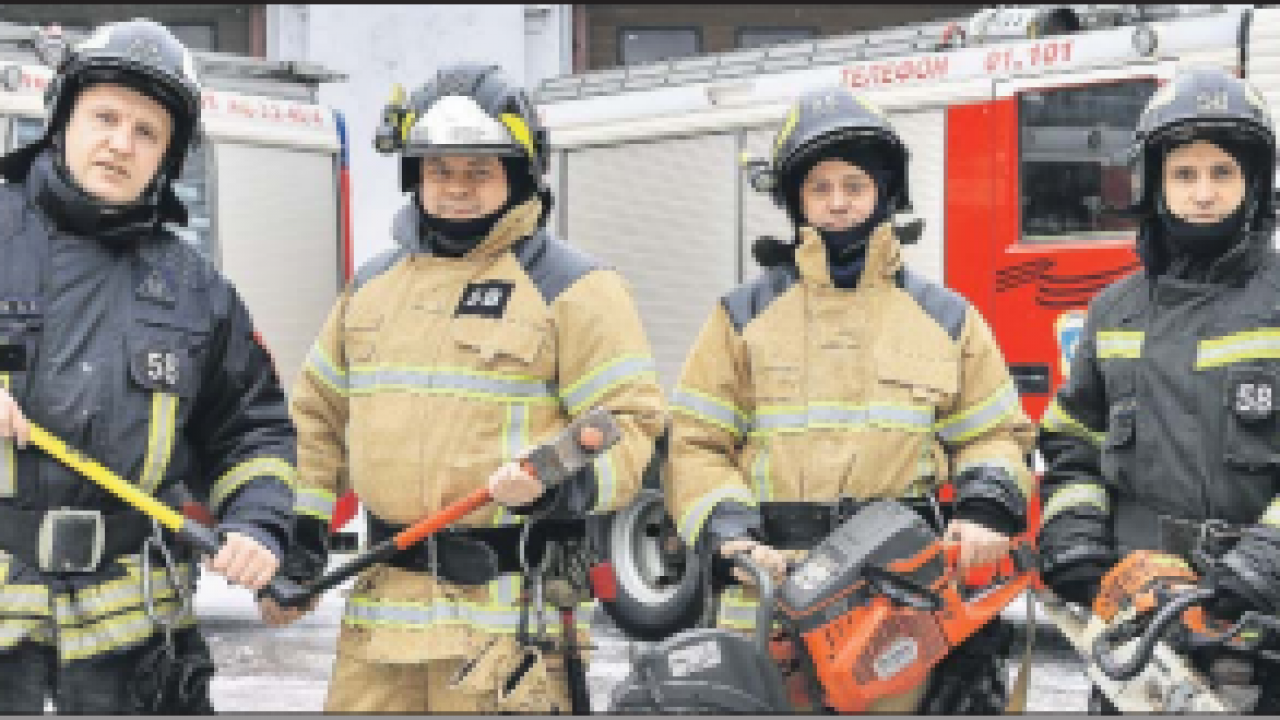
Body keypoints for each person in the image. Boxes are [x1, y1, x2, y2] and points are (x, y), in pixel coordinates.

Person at [260, 62, 666, 713]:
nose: (455, 189)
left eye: (479, 171)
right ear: (414, 174)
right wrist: (302, 535)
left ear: (520, 173)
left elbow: (631, 421)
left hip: (507, 627)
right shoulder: (371, 289)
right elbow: (317, 418)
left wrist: (554, 480)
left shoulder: (575, 289)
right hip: (381, 624)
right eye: (439, 170)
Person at [664, 85, 1036, 713]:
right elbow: (698, 443)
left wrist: (985, 512)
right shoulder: (741, 317)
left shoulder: (944, 317)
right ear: (796, 200)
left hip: (897, 597)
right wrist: (730, 532)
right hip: (769, 591)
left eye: (854, 186)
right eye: (820, 188)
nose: (838, 204)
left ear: (883, 193)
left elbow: (996, 434)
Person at [0, 19, 296, 713]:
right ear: (63, 117)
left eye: (146, 133)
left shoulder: (199, 292)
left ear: (167, 157)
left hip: (136, 658)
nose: (119, 144)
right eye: (104, 117)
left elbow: (254, 433)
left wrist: (257, 524)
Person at [1038, 64, 1280, 714]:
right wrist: (1076, 536)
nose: (1203, 192)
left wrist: (1267, 559)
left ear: (1254, 182)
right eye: (1185, 173)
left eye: (1222, 172)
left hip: (1264, 626)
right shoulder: (1113, 311)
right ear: (1154, 183)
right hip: (1139, 629)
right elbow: (1072, 442)